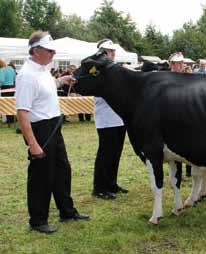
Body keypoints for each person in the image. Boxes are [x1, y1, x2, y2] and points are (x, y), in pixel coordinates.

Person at [15, 30, 89, 234]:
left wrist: (60, 81)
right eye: (49, 50)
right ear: (36, 51)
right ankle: (38, 220)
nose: (53, 54)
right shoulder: (27, 75)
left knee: (62, 170)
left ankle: (66, 211)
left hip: (54, 126)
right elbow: (22, 112)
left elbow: (44, 89)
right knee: (41, 176)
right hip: (40, 129)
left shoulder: (42, 69)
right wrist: (33, 144)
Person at [92, 39, 129, 200]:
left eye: (113, 51)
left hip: (119, 118)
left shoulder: (115, 69)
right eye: (109, 51)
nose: (113, 54)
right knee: (105, 153)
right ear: (101, 53)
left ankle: (111, 183)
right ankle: (99, 187)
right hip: (106, 118)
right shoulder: (96, 70)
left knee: (116, 152)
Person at [168, 52, 192, 178]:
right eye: (179, 63)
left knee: (189, 143)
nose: (181, 65)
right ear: (172, 64)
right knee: (175, 146)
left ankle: (189, 170)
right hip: (172, 115)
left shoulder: (187, 77)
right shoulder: (167, 78)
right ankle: (177, 173)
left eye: (182, 62)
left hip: (186, 114)